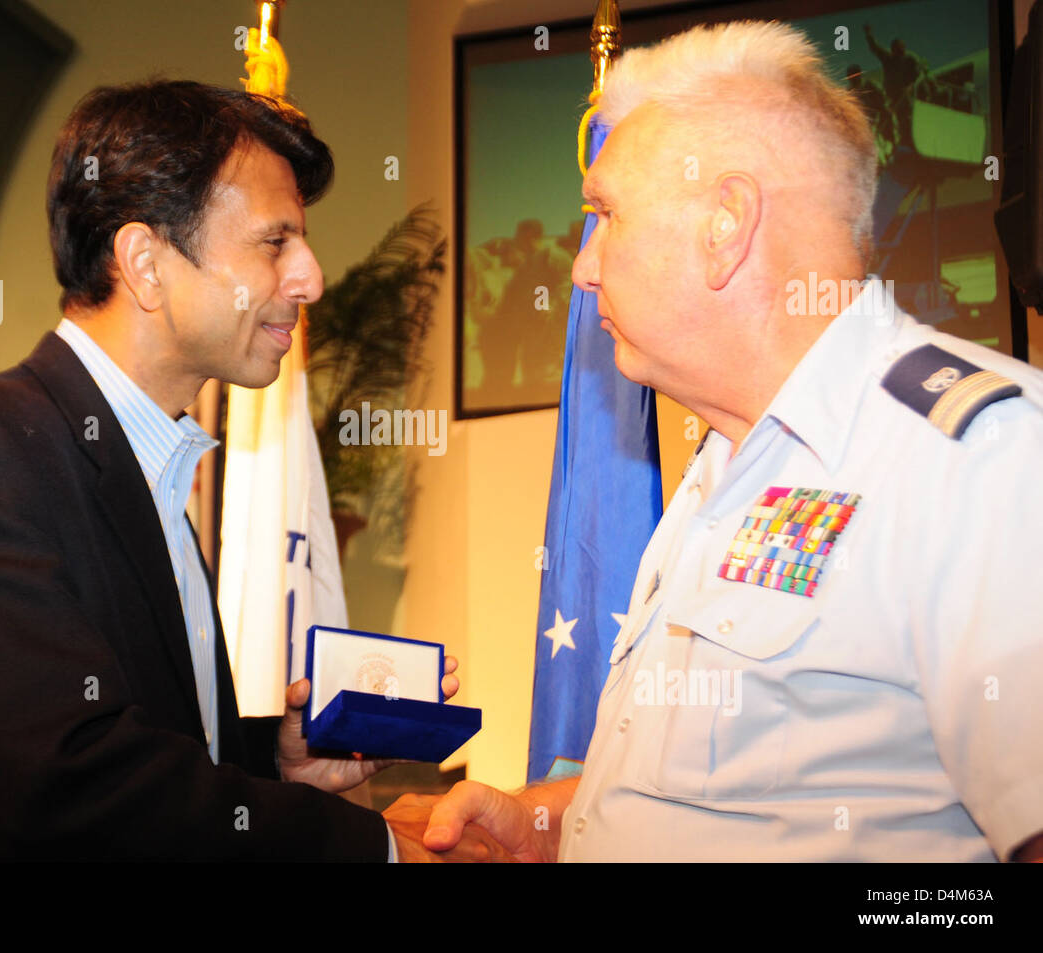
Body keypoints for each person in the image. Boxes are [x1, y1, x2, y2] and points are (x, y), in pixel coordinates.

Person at [395, 20, 1043, 862]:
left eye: (604, 214)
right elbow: (715, 804)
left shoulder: (982, 459)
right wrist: (542, 822)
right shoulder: (724, 460)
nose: (581, 268)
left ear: (725, 223)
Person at [0, 80, 503, 862]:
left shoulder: (148, 459)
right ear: (146, 264)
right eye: (276, 242)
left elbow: (153, 745)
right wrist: (375, 847)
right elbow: (66, 797)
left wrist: (275, 761)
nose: (311, 278)